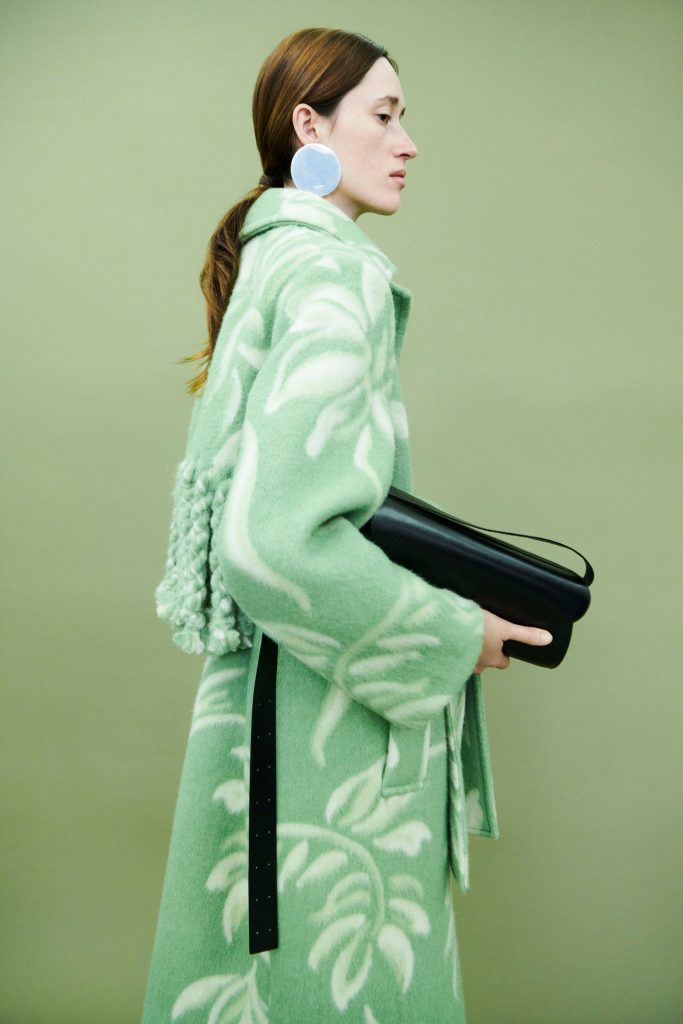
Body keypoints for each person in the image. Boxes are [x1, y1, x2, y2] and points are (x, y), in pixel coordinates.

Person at [141, 27, 552, 1024]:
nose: (407, 142)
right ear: (309, 127)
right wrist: (454, 631)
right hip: (323, 737)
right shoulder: (334, 274)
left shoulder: (271, 262)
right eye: (384, 114)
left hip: (264, 715)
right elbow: (275, 540)